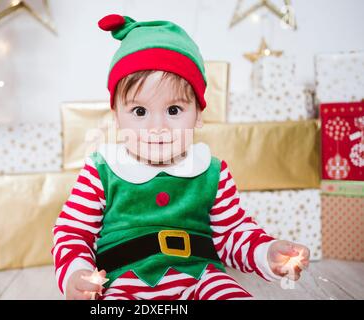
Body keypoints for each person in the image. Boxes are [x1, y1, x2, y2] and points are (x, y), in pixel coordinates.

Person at [52, 14, 310, 300]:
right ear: (116, 116)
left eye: (174, 110)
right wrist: (76, 273)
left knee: (228, 293)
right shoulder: (102, 170)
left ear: (198, 114)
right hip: (121, 282)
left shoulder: (212, 172)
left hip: (200, 278)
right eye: (139, 112)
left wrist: (266, 252)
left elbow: (233, 234)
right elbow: (73, 233)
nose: (157, 128)